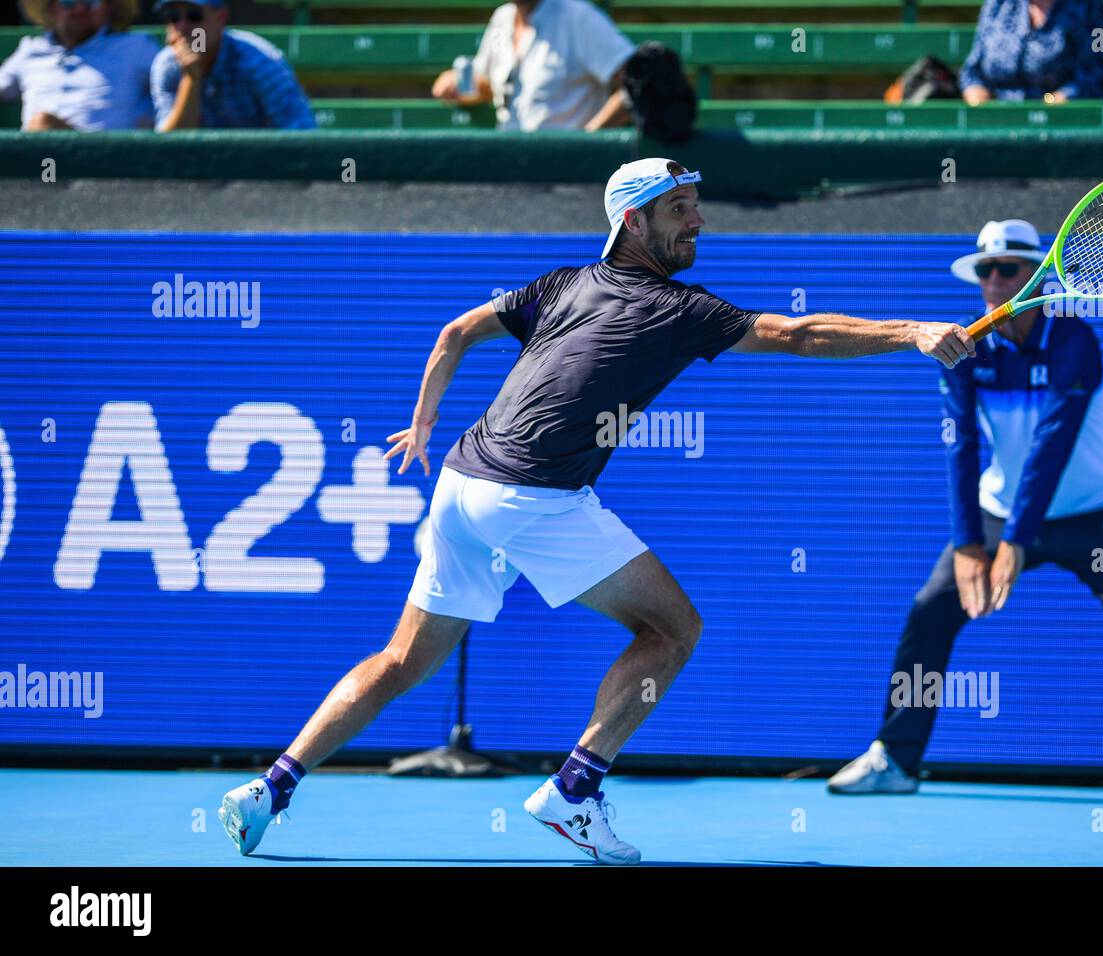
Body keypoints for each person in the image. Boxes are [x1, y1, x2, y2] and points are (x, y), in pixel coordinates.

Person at [217, 158, 976, 864]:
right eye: (679, 209)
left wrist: (422, 425)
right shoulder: (677, 308)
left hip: (460, 486)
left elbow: (454, 333)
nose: (698, 221)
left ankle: (269, 789)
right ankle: (574, 790)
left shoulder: (558, 285)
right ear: (632, 224)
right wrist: (913, 332)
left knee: (400, 662)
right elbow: (799, 334)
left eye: (696, 206)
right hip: (533, 498)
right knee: (674, 629)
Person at [826, 219, 1103, 810]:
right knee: (932, 608)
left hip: (1096, 510)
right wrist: (967, 543)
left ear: (1036, 274)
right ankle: (897, 759)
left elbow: (1052, 445)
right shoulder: (966, 352)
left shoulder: (1075, 341)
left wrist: (1017, 542)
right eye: (987, 270)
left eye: (1009, 268)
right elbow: (961, 446)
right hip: (1000, 511)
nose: (997, 280)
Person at [431, 0, 633, 132]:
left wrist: (587, 140)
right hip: (510, 161)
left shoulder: (578, 17)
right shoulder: (503, 17)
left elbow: (634, 83)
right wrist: (455, 84)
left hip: (565, 173)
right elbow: (489, 86)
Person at [151, 0, 314, 131]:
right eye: (173, 17)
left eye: (194, 16)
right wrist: (191, 77)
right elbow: (170, 149)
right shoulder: (167, 65)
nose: (181, 26)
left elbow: (301, 133)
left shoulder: (258, 60)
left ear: (221, 18)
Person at [2, 0, 156, 130]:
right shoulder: (30, 50)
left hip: (108, 159)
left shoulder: (137, 47)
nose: (80, 8)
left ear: (109, 7)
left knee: (43, 124)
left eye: (91, 1)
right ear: (51, 8)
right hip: (38, 160)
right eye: (68, 1)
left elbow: (172, 85)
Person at [960, 0, 1103, 105]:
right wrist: (977, 99)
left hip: (1062, 123)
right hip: (998, 121)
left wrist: (1050, 104)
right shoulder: (997, 5)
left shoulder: (1089, 7)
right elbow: (972, 71)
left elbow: (1098, 76)